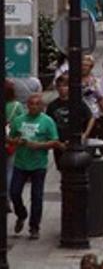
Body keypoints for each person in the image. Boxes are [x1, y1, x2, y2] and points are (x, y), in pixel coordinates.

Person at [9, 93, 61, 239]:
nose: (33, 107)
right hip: (21, 162)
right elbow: (11, 138)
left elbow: (55, 141)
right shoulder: (19, 120)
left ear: (42, 106)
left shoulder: (47, 121)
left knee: (36, 196)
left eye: (36, 104)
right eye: (30, 104)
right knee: (14, 192)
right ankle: (21, 214)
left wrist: (39, 145)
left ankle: (34, 227)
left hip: (39, 164)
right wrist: (16, 141)